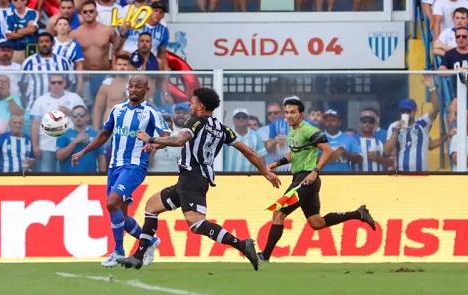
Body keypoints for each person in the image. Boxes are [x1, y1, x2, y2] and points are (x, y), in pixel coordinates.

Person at [118, 87, 281, 270]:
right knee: (151, 206)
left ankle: (242, 244)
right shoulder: (222, 129)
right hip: (190, 180)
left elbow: (179, 140)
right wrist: (265, 172)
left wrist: (152, 139)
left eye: (193, 102)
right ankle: (138, 256)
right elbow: (248, 151)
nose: (190, 105)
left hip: (192, 179)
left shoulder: (195, 122)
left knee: (196, 225)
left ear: (201, 106)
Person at [257, 96, 375, 263]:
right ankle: (358, 214)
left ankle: (264, 256)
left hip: (305, 180)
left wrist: (315, 171)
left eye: (293, 112)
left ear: (301, 115)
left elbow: (327, 151)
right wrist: (277, 163)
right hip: (303, 179)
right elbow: (294, 154)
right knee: (317, 223)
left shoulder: (309, 130)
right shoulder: (293, 130)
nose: (289, 116)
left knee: (278, 214)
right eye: (287, 113)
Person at [71, 75, 171, 267]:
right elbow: (104, 134)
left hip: (135, 166)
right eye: (131, 86)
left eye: (138, 87)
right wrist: (83, 151)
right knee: (120, 214)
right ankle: (150, 241)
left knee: (112, 203)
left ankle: (118, 251)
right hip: (114, 166)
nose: (133, 89)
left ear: (146, 90)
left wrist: (153, 143)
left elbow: (165, 135)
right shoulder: (117, 110)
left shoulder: (151, 112)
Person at [56, 105, 106, 173]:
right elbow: (59, 156)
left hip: (90, 177)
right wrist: (75, 142)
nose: (78, 117)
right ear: (72, 118)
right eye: (75, 115)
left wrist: (102, 176)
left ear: (87, 117)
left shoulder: (96, 134)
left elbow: (101, 157)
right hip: (68, 177)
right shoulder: (64, 135)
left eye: (81, 115)